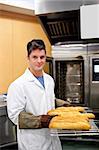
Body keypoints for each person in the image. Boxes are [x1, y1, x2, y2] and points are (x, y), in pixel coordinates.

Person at [7, 39, 69, 150]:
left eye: (42, 57)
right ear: (28, 58)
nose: (39, 61)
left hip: (53, 139)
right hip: (33, 142)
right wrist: (41, 120)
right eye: (35, 57)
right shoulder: (18, 85)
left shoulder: (49, 80)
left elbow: (47, 99)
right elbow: (15, 116)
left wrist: (63, 105)